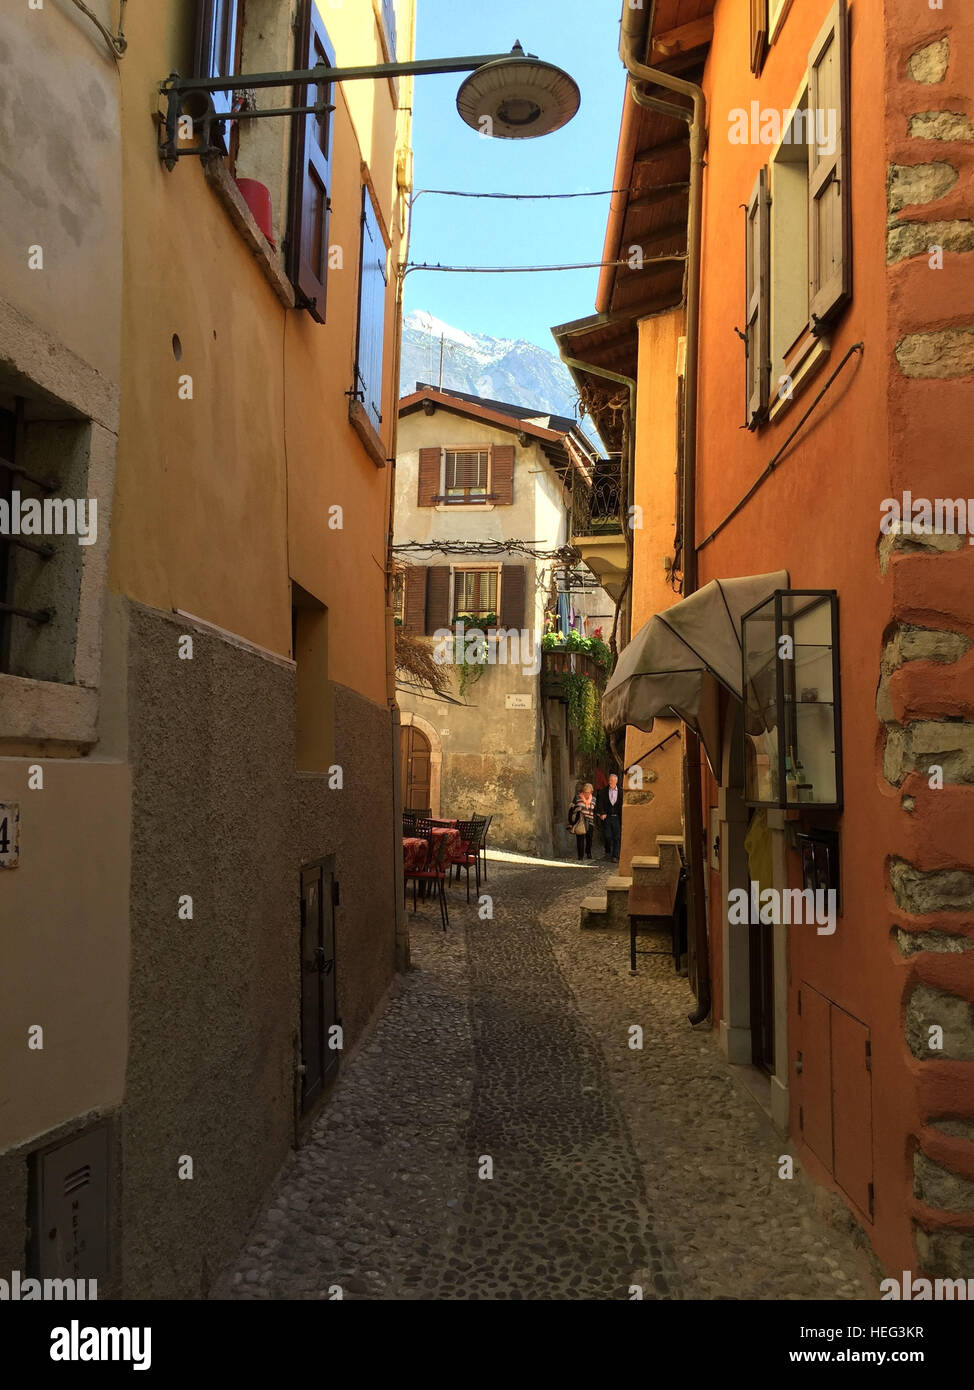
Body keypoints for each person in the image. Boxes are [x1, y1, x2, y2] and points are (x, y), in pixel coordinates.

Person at [596, 772, 623, 862]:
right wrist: (602, 813)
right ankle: (608, 851)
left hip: (617, 817)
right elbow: (600, 804)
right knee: (607, 836)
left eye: (612, 780)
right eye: (609, 780)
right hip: (607, 817)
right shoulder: (604, 791)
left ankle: (615, 856)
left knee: (617, 837)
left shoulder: (621, 791)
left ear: (616, 781)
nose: (610, 782)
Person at [568, 782, 596, 862]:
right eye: (585, 792)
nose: (587, 794)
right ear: (583, 791)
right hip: (580, 821)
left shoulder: (594, 799)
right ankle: (580, 856)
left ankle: (588, 852)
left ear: (591, 792)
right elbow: (571, 808)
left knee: (589, 838)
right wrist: (572, 819)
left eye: (588, 792)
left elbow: (595, 809)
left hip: (590, 821)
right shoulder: (577, 798)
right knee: (580, 838)